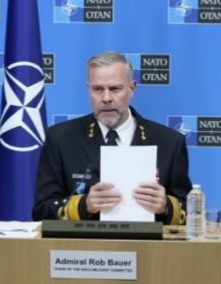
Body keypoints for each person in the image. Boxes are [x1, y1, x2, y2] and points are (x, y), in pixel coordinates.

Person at [33, 51, 192, 223]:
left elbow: (190, 213)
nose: (106, 98)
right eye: (98, 89)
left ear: (132, 89)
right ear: (88, 89)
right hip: (82, 247)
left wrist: (166, 206)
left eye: (115, 89)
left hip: (149, 247)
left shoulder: (169, 142)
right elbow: (41, 210)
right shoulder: (60, 139)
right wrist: (82, 205)